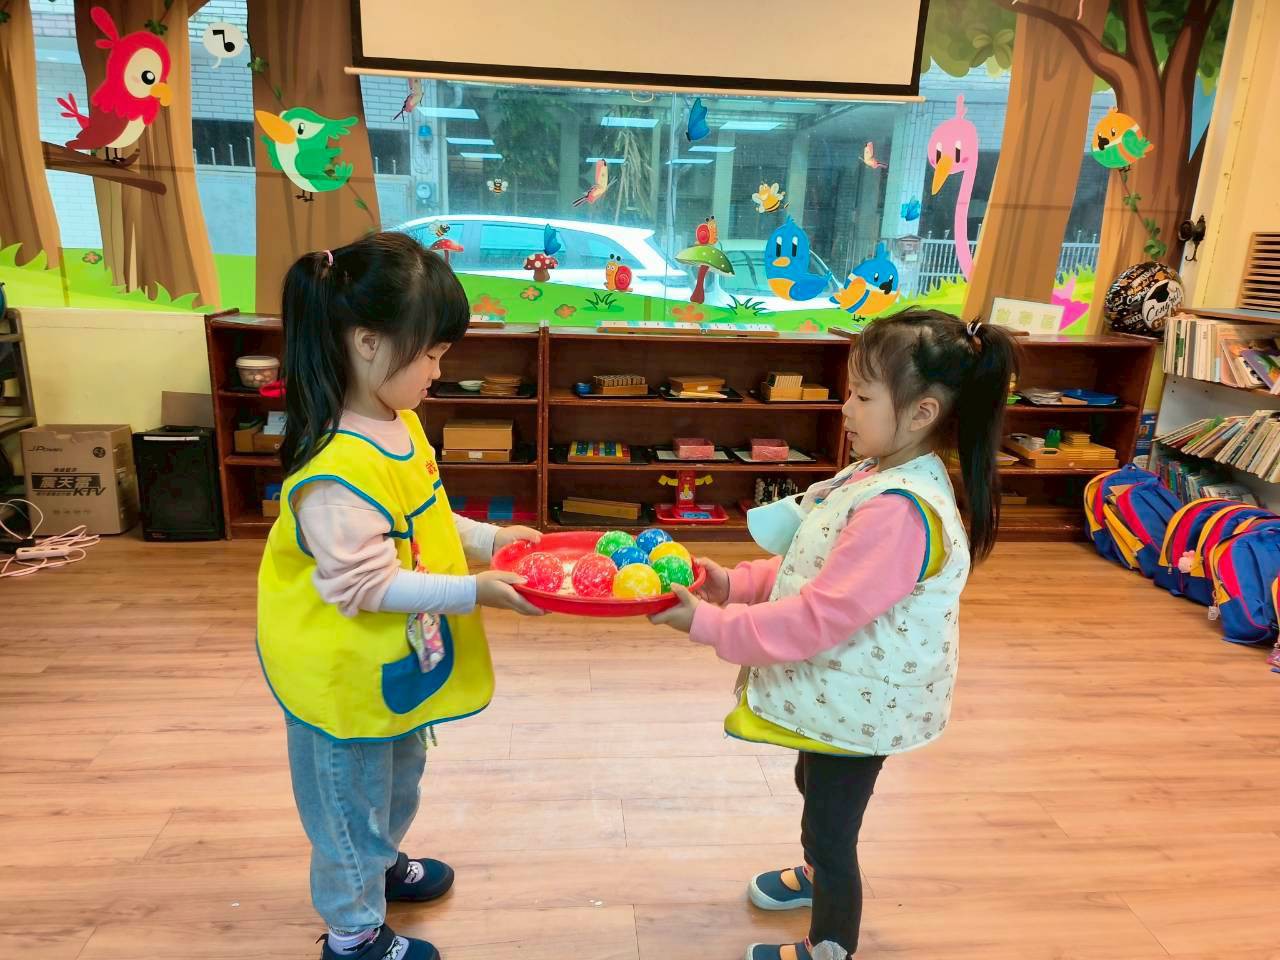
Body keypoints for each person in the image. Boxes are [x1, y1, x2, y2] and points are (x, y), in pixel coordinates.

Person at [651, 309, 1018, 960]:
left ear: (923, 412)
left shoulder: (899, 512)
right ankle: (816, 872)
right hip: (839, 695)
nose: (845, 408)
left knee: (831, 830)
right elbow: (811, 566)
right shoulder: (872, 474)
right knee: (811, 786)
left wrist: (708, 623)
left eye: (863, 396)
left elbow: (816, 617)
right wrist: (734, 585)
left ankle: (830, 943)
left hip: (862, 705)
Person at [257, 232, 544, 960]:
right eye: (431, 355)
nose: (439, 372)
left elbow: (426, 517)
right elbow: (366, 583)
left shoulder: (400, 424)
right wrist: (475, 592)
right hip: (339, 672)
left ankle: (381, 863)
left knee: (397, 772)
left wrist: (490, 540)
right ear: (367, 343)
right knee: (347, 805)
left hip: (389, 653)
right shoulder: (334, 470)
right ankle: (353, 932)